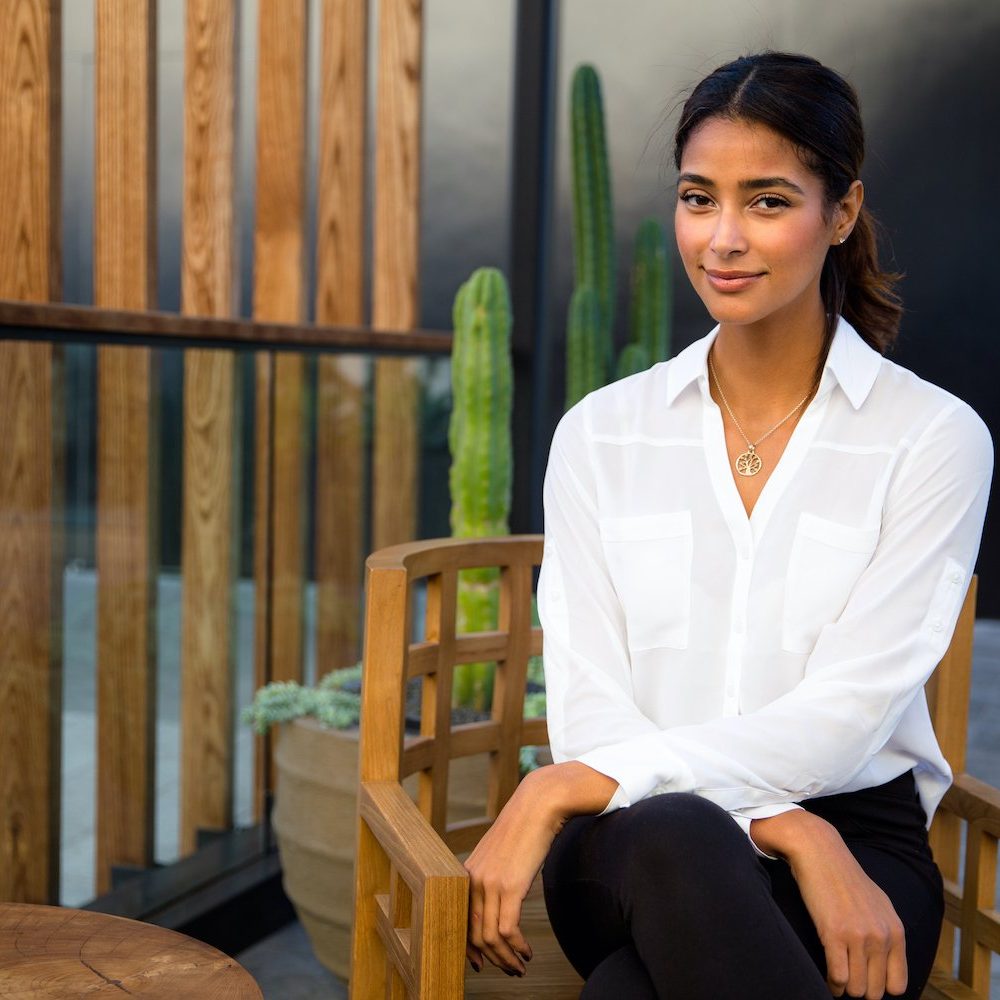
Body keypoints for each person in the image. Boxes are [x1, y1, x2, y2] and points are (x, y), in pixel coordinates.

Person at [462, 51, 994, 999]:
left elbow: (849, 714)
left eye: (768, 202)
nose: (723, 239)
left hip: (857, 842)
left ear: (842, 212)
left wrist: (553, 785)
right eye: (698, 198)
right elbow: (590, 704)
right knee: (679, 834)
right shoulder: (601, 435)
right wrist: (784, 827)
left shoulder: (931, 438)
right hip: (629, 838)